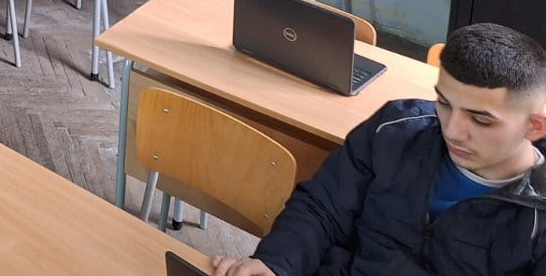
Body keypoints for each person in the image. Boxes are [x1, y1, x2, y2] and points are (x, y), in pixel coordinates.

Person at [213, 22, 546, 276]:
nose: (453, 131)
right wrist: (276, 263)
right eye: (444, 103)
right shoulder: (396, 129)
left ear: (534, 126)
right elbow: (323, 208)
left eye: (481, 120)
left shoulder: (538, 217)